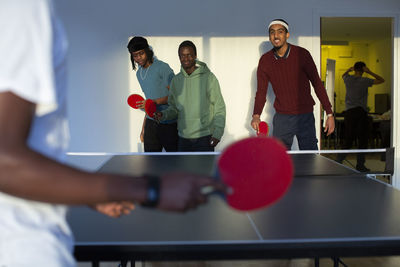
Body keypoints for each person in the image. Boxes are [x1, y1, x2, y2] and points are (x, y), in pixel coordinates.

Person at [0, 2, 225, 266]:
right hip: (24, 246)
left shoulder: (27, 9)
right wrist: (150, 189)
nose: (139, 58)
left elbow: (176, 100)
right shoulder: (22, 8)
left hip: (33, 234)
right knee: (156, 163)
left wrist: (94, 198)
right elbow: (5, 158)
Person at [251, 19, 335, 150]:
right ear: (269, 37)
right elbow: (261, 91)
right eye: (272, 32)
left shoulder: (302, 54)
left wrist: (329, 113)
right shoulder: (265, 60)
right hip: (282, 118)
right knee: (278, 157)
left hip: (305, 115)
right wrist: (256, 115)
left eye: (280, 32)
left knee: (310, 157)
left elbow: (317, 84)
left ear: (287, 35)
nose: (276, 36)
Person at [154, 40, 226, 152]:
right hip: (183, 139)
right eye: (182, 55)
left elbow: (219, 108)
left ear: (195, 56)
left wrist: (217, 134)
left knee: (204, 170)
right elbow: (174, 109)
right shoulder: (176, 81)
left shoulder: (209, 78)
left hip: (204, 138)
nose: (185, 58)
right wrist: (163, 115)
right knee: (185, 170)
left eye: (189, 55)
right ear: (179, 57)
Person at [127, 37, 178, 152]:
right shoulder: (139, 74)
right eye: (135, 55)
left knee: (175, 162)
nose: (138, 58)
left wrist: (155, 102)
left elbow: (176, 96)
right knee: (150, 162)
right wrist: (144, 128)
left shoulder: (162, 67)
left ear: (147, 51)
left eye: (141, 53)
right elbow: (148, 101)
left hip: (169, 121)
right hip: (151, 123)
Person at [336, 62, 385, 172]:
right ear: (363, 69)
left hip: (349, 113)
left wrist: (349, 69)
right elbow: (382, 80)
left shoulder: (348, 79)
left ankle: (338, 161)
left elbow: (343, 75)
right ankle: (360, 165)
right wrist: (369, 71)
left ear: (354, 69)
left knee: (348, 138)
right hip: (360, 113)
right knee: (362, 139)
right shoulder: (365, 81)